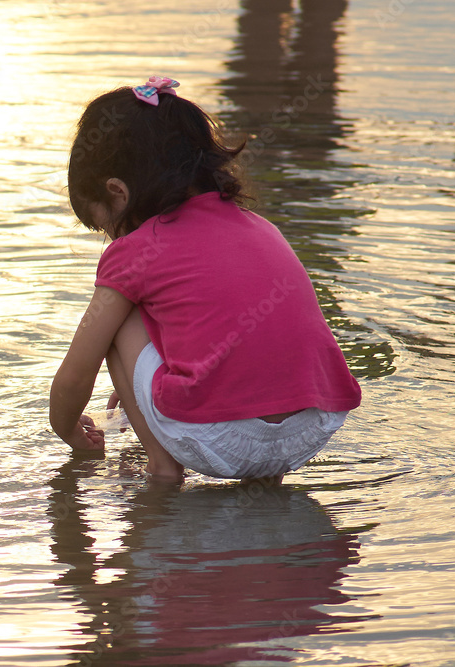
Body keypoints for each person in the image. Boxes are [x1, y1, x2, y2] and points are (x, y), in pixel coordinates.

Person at [49, 76, 361, 484]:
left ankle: (163, 468)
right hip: (308, 432)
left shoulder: (137, 249)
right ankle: (264, 483)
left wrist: (69, 430)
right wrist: (138, 390)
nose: (112, 239)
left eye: (104, 226)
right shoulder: (260, 227)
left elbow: (76, 375)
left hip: (218, 438)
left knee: (116, 315)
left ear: (117, 193)